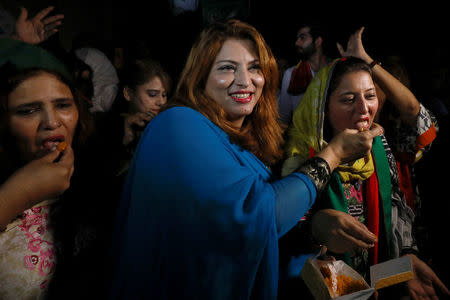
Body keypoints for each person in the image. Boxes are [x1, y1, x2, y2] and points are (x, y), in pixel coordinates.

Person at [107, 19, 384, 299]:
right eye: (227, 68)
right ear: (200, 77)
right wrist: (334, 153)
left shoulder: (246, 140)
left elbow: (246, 238)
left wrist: (314, 240)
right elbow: (258, 214)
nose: (245, 80)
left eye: (254, 68)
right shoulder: (177, 123)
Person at [281, 27, 449, 299]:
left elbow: (396, 206)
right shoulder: (304, 158)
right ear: (322, 109)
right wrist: (314, 230)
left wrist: (404, 263)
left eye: (370, 96)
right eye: (349, 99)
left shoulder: (379, 146)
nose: (364, 109)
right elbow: (280, 234)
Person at [0, 62, 96, 299]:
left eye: (63, 105)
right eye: (28, 111)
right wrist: (18, 193)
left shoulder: (99, 190)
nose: (52, 122)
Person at [99, 58, 172, 182]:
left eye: (164, 95)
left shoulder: (166, 126)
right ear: (128, 93)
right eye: (152, 94)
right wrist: (126, 139)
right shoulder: (105, 128)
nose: (161, 102)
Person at [277, 20, 332, 125]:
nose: (297, 43)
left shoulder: (335, 69)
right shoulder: (291, 74)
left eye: (302, 38)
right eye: (297, 39)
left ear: (318, 41)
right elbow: (284, 116)